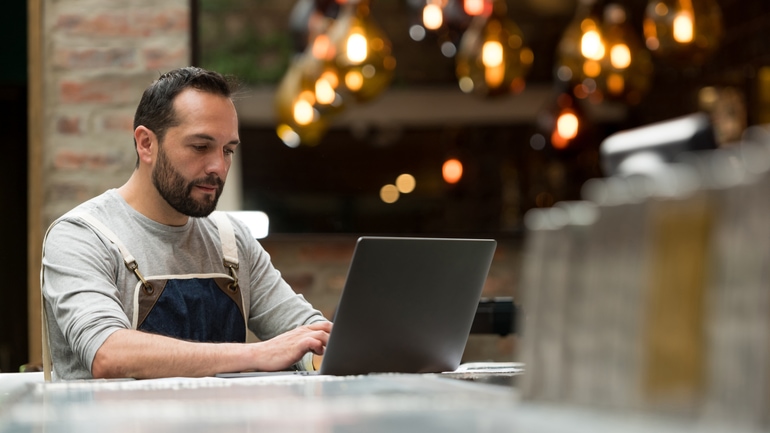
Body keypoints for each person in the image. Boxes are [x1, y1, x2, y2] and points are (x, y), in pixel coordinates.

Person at [41, 67, 332, 381]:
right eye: (200, 147)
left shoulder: (232, 240)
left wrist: (324, 350)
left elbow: (307, 336)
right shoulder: (80, 236)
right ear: (146, 144)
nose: (218, 167)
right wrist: (259, 353)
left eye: (228, 150)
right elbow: (109, 353)